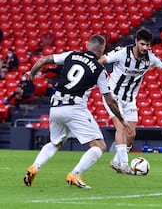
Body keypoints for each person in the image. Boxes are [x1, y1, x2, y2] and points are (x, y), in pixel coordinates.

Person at [23, 34, 130, 189]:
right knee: (99, 146)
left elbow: (43, 60)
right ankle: (75, 174)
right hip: (74, 107)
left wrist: (32, 73)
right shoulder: (100, 70)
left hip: (55, 106)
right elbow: (109, 99)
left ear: (87, 45)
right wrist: (122, 119)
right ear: (102, 50)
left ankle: (35, 166)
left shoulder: (71, 55)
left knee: (56, 142)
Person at [98, 28, 162, 174]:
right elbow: (100, 61)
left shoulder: (151, 57)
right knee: (120, 127)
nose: (145, 48)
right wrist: (100, 78)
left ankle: (116, 161)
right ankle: (125, 165)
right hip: (113, 96)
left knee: (131, 134)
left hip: (130, 99)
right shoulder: (121, 53)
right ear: (136, 42)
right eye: (143, 44)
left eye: (148, 45)